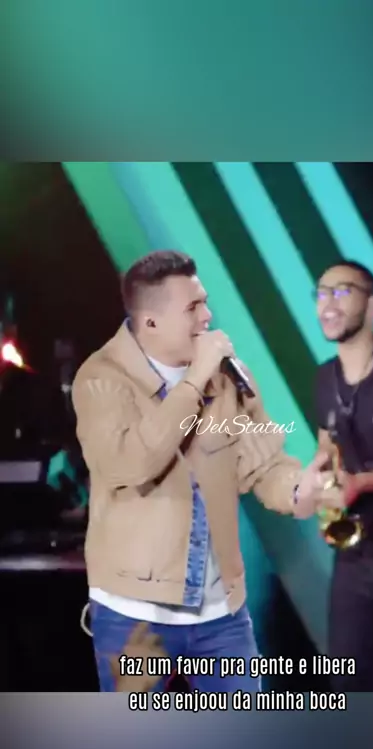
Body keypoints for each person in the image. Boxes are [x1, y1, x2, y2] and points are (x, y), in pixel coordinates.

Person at [72, 250, 325, 693]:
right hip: (137, 616)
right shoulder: (101, 379)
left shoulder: (228, 377)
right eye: (193, 307)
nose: (207, 316)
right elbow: (130, 464)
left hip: (220, 613)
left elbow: (263, 463)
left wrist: (299, 489)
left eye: (204, 302)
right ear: (150, 321)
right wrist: (194, 382)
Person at [296, 261, 373, 691]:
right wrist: (321, 485)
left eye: (342, 292)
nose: (327, 305)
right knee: (346, 686)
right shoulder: (323, 377)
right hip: (353, 557)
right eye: (321, 293)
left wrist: (364, 483)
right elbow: (326, 447)